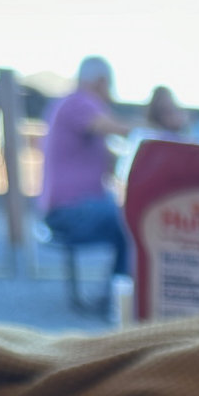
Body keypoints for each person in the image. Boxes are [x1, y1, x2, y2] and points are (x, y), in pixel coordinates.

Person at [39, 56, 130, 278]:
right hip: (69, 212)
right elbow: (119, 128)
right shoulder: (80, 102)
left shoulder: (68, 103)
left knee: (125, 214)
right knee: (132, 220)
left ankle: (120, 292)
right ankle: (123, 295)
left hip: (66, 209)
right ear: (100, 81)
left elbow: (111, 162)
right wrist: (158, 127)